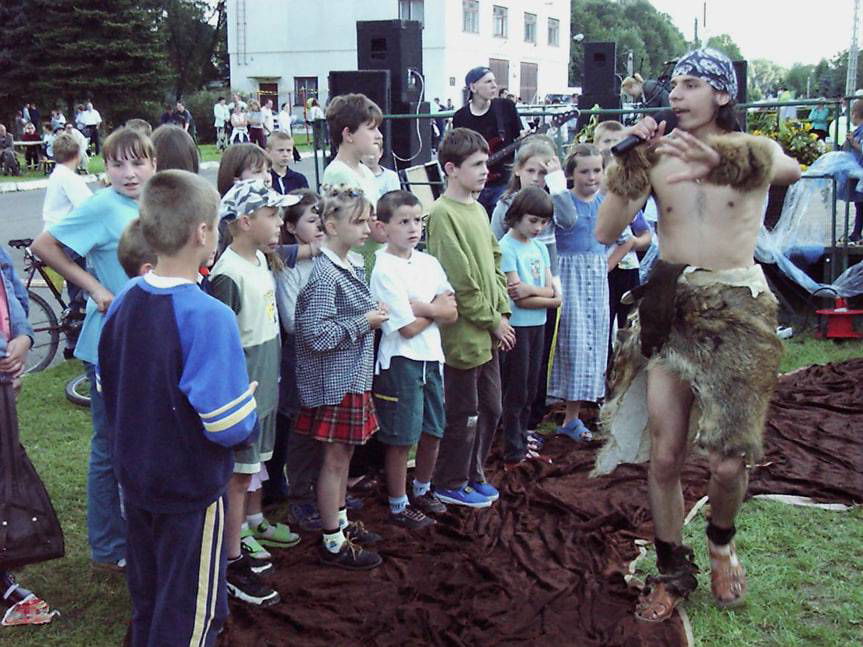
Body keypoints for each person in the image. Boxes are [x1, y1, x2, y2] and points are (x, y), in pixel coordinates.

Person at [594, 47, 801, 623]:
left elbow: (791, 169)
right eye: (674, 83)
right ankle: (672, 570)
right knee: (664, 457)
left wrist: (721, 159)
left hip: (737, 310)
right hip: (672, 308)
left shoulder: (755, 153)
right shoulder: (657, 157)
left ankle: (720, 543)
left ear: (723, 94)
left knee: (730, 462)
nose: (677, 93)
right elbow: (604, 229)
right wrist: (632, 162)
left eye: (691, 84)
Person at [97, 170, 259, 646]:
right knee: (189, 610)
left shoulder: (124, 300)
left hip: (136, 480)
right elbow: (228, 425)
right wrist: (245, 404)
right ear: (203, 233)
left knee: (148, 597)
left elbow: (111, 386)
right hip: (189, 489)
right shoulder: (209, 315)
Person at [31, 127, 158, 573]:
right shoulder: (102, 206)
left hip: (155, 342)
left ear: (154, 163)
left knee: (148, 441)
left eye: (137, 162)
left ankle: (144, 532)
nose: (128, 173)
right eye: (117, 163)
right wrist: (95, 289)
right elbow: (44, 246)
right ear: (104, 167)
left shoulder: (157, 202)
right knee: (110, 446)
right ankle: (107, 547)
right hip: (110, 342)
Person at [209, 179, 302, 606]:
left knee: (252, 470)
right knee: (238, 474)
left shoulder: (261, 261)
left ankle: (242, 535)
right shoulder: (228, 274)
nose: (281, 221)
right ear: (245, 222)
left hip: (265, 389)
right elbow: (223, 344)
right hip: (244, 393)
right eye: (272, 214)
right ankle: (229, 559)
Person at [294, 186, 387, 570]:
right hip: (335, 382)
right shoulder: (325, 275)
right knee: (333, 459)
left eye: (367, 220)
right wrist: (363, 322)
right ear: (331, 225)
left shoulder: (350, 265)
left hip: (353, 378)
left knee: (344, 455)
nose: (367, 227)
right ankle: (332, 540)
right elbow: (314, 334)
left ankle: (342, 521)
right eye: (359, 221)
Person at [425, 128, 514, 508]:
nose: (484, 171)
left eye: (485, 163)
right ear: (451, 168)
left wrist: (502, 312)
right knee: (464, 413)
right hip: (465, 334)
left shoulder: (478, 208)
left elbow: (494, 262)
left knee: (491, 407)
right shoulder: (442, 215)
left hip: (489, 330)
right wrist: (491, 319)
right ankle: (451, 480)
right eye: (476, 165)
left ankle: (473, 473)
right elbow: (458, 280)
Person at [370, 190, 458, 528]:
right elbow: (404, 328)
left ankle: (422, 488)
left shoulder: (428, 262)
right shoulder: (382, 268)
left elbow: (451, 309)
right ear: (383, 227)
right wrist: (433, 310)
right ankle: (397, 502)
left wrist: (425, 308)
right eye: (403, 221)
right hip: (401, 361)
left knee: (433, 429)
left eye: (417, 220)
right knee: (401, 436)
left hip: (432, 358)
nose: (412, 228)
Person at [489, 136, 564, 431]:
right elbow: (496, 251)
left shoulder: (551, 203)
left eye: (543, 172)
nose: (536, 178)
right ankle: (511, 434)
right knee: (515, 376)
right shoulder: (504, 208)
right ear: (518, 170)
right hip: (515, 304)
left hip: (543, 294)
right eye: (531, 171)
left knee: (537, 369)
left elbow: (569, 219)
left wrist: (557, 183)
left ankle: (529, 425)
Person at [270, 189, 325, 529]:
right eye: (310, 220)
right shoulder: (288, 266)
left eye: (322, 218)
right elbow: (292, 319)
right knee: (302, 430)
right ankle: (300, 496)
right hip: (300, 359)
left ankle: (325, 489)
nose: (320, 225)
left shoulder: (327, 258)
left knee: (325, 428)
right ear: (291, 227)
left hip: (330, 358)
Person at [547, 144, 609, 442]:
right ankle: (548, 406)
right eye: (584, 171)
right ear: (572, 174)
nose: (592, 177)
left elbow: (626, 238)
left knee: (591, 345)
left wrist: (604, 265)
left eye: (597, 170)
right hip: (568, 278)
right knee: (568, 342)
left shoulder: (605, 203)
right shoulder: (563, 202)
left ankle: (572, 416)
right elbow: (565, 222)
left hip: (595, 281)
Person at [497, 187, 560, 470]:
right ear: (517, 216)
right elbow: (517, 296)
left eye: (543, 222)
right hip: (518, 328)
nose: (538, 228)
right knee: (516, 389)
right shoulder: (506, 247)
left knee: (532, 387)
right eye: (533, 220)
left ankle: (522, 437)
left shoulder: (539, 248)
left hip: (538, 326)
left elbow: (552, 295)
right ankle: (513, 447)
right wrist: (545, 295)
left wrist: (538, 292)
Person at [592, 122, 653, 358]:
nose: (612, 146)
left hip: (627, 268)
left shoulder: (631, 190)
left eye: (615, 140)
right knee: (603, 322)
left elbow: (643, 233)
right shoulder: (595, 194)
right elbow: (602, 234)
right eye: (606, 141)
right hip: (604, 267)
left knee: (628, 320)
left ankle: (626, 361)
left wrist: (632, 243)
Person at [322, 93, 385, 275]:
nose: (379, 135)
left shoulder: (364, 170)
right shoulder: (339, 173)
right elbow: (370, 226)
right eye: (371, 129)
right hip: (356, 265)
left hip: (373, 260)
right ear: (348, 134)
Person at [452, 66, 522, 217]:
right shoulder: (460, 116)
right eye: (488, 82)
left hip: (504, 182)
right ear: (473, 87)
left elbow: (520, 137)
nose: (494, 86)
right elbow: (457, 152)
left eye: (494, 81)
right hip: (473, 184)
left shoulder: (506, 107)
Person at [42, 132, 92, 230]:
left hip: (51, 228)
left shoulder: (56, 174)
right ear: (78, 155)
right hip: (63, 233)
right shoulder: (70, 178)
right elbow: (89, 206)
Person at [843, 99, 863, 242]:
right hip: (858, 171)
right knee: (859, 204)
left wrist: (855, 144)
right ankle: (856, 232)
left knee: (861, 204)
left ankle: (856, 232)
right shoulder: (858, 131)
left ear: (855, 114)